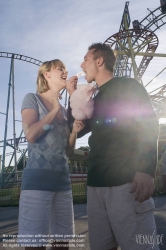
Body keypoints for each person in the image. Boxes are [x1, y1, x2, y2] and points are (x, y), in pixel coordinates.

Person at [67, 43, 159, 250]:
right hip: (96, 184)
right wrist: (72, 96)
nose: (82, 64)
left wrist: (145, 169)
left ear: (99, 61)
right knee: (101, 245)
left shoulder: (128, 85)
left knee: (139, 246)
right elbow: (75, 129)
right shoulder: (94, 99)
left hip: (126, 183)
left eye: (86, 59)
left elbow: (148, 124)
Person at [18, 59, 84, 250]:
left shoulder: (65, 111)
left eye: (66, 68)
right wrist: (53, 108)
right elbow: (31, 135)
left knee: (62, 242)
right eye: (60, 68)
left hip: (62, 184)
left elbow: (68, 151)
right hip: (37, 183)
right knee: (35, 244)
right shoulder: (32, 99)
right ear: (46, 75)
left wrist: (73, 132)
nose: (66, 71)